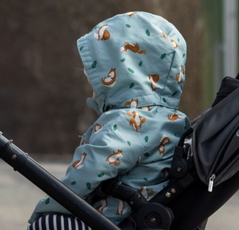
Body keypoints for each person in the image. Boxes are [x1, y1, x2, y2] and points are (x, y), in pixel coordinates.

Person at [27, 12, 190, 230]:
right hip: (142, 218)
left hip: (111, 222)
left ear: (125, 73)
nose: (94, 88)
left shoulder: (127, 122)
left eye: (98, 78)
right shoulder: (175, 121)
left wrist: (46, 209)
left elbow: (86, 173)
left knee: (48, 224)